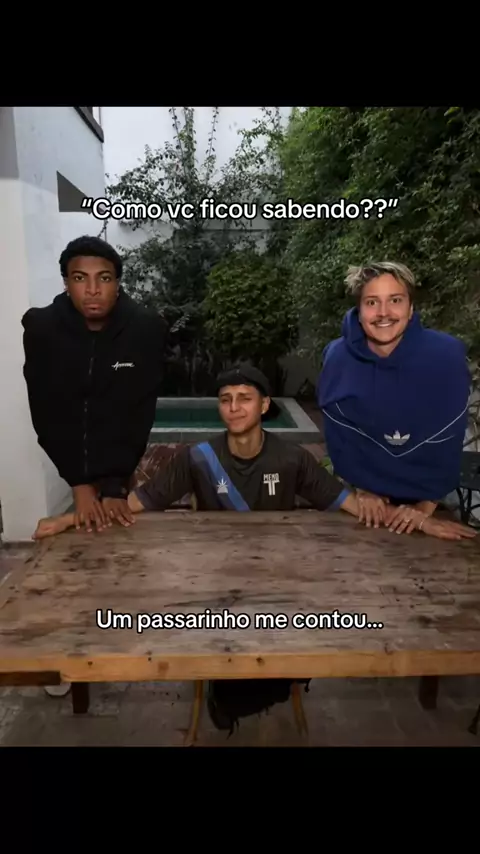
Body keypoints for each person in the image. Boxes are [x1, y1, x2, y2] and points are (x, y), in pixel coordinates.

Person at [32, 364, 475, 732]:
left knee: (307, 635)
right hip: (214, 590)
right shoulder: (197, 457)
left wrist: (423, 519)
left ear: (264, 406)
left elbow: (354, 506)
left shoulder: (292, 458)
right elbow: (133, 505)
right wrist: (69, 519)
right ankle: (247, 690)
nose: (234, 407)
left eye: (245, 398)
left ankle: (244, 692)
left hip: (277, 585)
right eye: (226, 399)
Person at [22, 235, 167, 530]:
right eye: (80, 278)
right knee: (87, 535)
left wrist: (116, 486)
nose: (92, 290)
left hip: (121, 467)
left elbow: (138, 413)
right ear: (66, 283)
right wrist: (78, 483)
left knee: (121, 533)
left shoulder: (146, 329)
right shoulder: (42, 330)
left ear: (117, 284)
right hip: (72, 466)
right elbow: (46, 412)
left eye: (104, 278)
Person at [317, 261, 472, 535]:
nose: (383, 313)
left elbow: (450, 436)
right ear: (359, 311)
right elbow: (340, 434)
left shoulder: (446, 357)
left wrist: (425, 506)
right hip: (363, 498)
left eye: (395, 300)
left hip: (434, 498)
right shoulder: (337, 358)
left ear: (411, 309)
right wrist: (362, 488)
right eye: (372, 302)